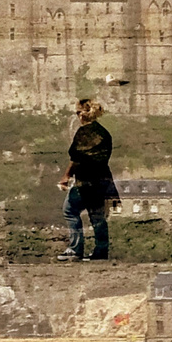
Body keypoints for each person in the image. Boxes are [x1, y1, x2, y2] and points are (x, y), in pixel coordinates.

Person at [58, 99, 116, 262]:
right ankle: (101, 252)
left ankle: (76, 249)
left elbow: (76, 158)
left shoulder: (84, 132)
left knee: (70, 210)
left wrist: (66, 176)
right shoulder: (104, 133)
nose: (77, 116)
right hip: (103, 180)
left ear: (84, 113)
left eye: (78, 112)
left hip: (86, 181)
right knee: (97, 217)